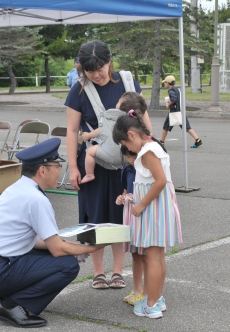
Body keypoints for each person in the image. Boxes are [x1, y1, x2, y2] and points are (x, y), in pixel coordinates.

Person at [0, 138, 108, 328]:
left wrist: (78, 248)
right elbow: (58, 249)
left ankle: (0, 296)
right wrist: (91, 248)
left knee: (51, 253)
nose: (59, 171)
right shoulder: (36, 199)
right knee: (67, 265)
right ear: (43, 170)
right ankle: (12, 305)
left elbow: (35, 241)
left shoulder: (18, 188)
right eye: (57, 166)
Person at [65, 40, 153, 289]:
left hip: (126, 165)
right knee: (96, 216)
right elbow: (72, 131)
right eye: (89, 70)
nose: (96, 74)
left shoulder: (127, 83)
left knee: (121, 216)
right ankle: (97, 271)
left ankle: (117, 271)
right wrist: (73, 166)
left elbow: (145, 121)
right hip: (94, 163)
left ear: (109, 61)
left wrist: (147, 154)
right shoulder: (79, 90)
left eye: (100, 67)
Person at [112, 110, 182, 319]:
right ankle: (156, 298)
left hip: (153, 208)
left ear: (132, 135)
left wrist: (141, 203)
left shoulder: (147, 152)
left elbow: (159, 181)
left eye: (126, 144)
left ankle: (151, 304)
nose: (127, 149)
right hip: (159, 208)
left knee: (152, 257)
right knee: (157, 257)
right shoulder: (154, 147)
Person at [80, 92, 149, 184]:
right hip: (128, 156)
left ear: (119, 106)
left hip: (110, 154)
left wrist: (87, 136)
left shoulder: (108, 117)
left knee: (90, 151)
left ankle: (89, 174)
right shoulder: (134, 121)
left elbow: (100, 131)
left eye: (119, 101)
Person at [115, 145, 144, 306]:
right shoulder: (127, 170)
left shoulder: (146, 170)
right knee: (135, 253)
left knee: (147, 254)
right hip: (131, 216)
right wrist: (121, 197)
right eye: (128, 157)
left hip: (144, 215)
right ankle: (138, 289)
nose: (131, 161)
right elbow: (126, 191)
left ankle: (148, 292)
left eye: (134, 157)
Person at [160, 75, 202, 149]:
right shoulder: (177, 89)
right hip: (181, 111)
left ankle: (161, 142)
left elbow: (174, 99)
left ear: (168, 83)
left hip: (174, 112)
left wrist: (168, 105)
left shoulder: (171, 90)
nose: (164, 84)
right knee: (187, 127)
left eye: (165, 82)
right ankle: (197, 140)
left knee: (165, 127)